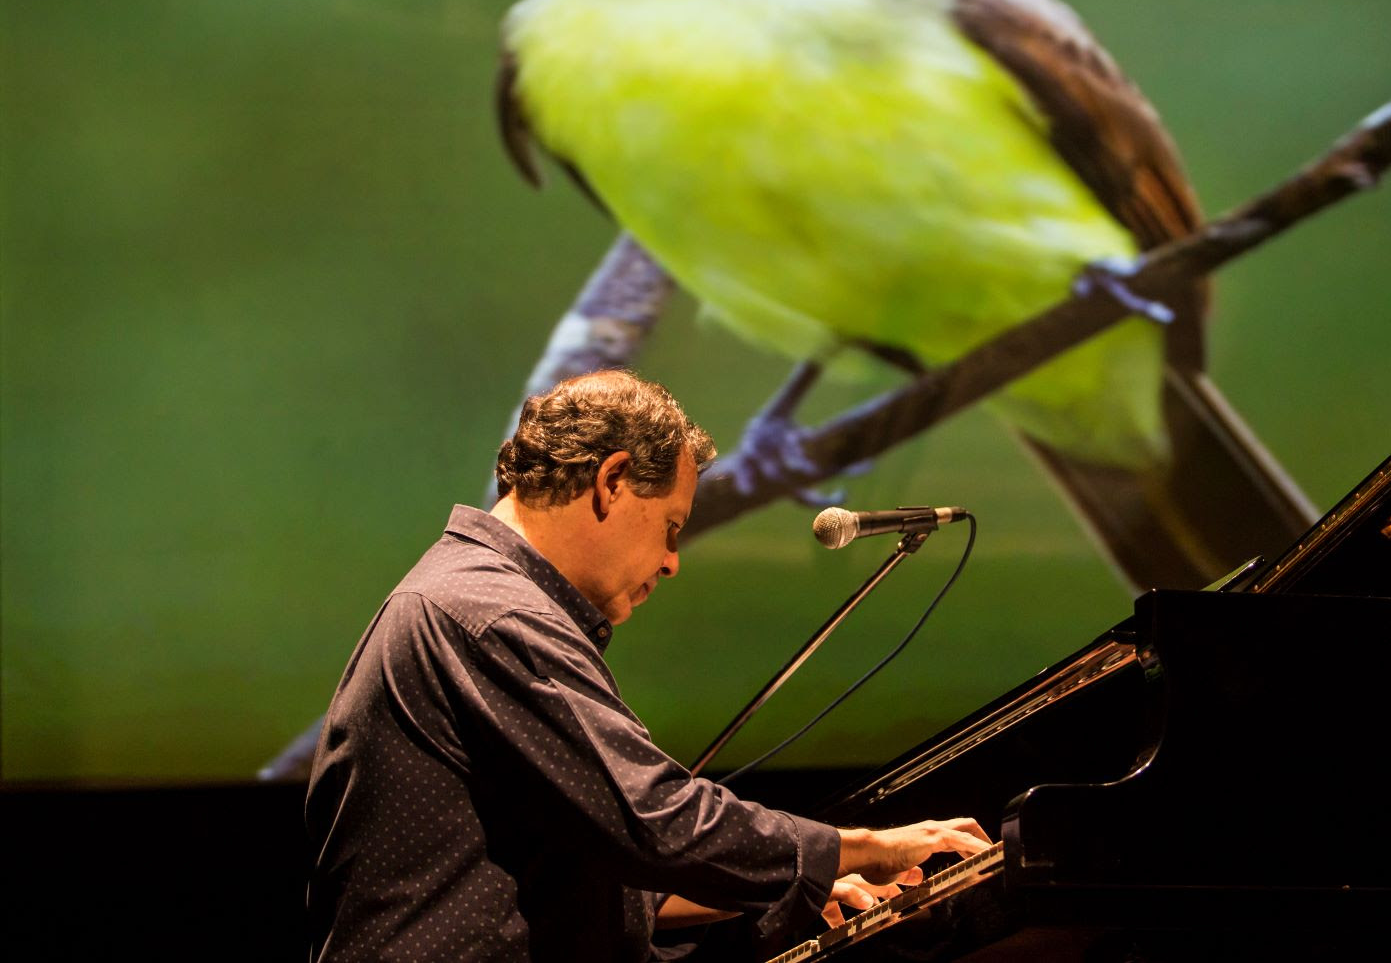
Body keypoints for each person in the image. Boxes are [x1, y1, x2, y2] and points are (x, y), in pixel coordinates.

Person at [306, 370, 989, 961]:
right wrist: (865, 846)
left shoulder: (474, 596)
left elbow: (605, 863)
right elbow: (655, 819)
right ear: (612, 482)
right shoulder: (492, 613)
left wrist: (790, 879)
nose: (671, 561)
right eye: (670, 526)